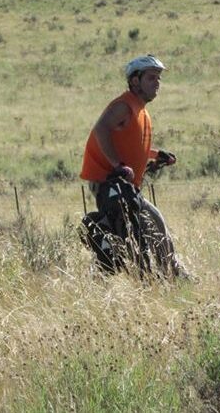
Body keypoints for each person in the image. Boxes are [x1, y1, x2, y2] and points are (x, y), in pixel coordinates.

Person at [80, 54, 189, 279]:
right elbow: (101, 129)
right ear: (135, 81)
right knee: (136, 241)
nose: (157, 83)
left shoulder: (140, 110)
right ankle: (165, 277)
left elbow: (133, 147)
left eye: (158, 78)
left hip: (127, 188)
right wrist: (117, 165)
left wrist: (157, 155)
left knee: (155, 229)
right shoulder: (124, 106)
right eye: (151, 78)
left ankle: (171, 275)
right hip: (111, 185)